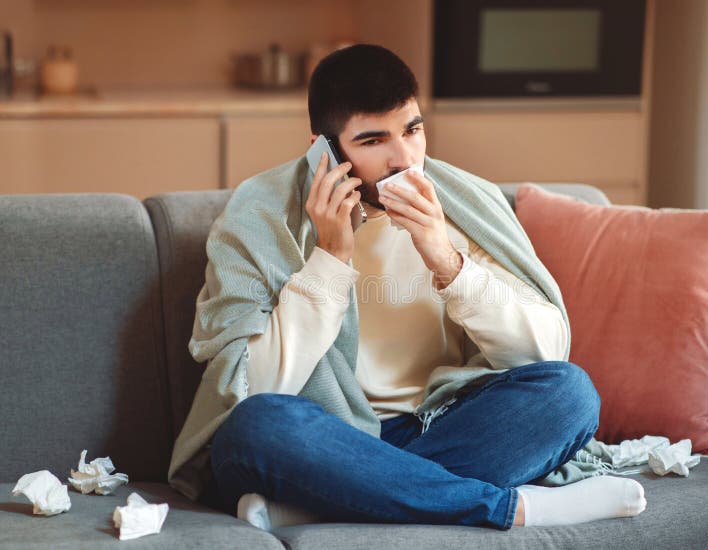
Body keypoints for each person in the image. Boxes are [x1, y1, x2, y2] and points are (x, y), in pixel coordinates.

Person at [169, 44, 647, 531]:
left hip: (438, 426)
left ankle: (326, 503)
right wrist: (330, 258)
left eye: (413, 130)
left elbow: (542, 353)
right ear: (325, 149)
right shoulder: (258, 216)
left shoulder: (463, 205)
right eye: (374, 141)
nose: (404, 158)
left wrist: (445, 258)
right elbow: (256, 388)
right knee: (257, 425)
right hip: (323, 438)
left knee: (571, 394)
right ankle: (511, 508)